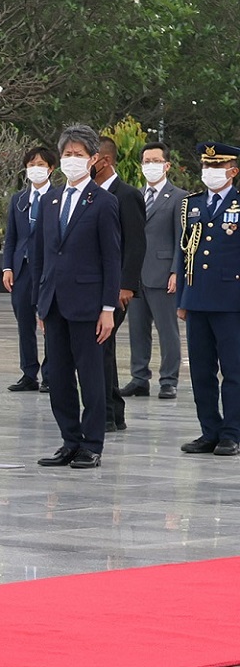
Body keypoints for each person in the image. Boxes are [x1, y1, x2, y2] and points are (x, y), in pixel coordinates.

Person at [35, 124, 122, 469]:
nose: (72, 160)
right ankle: (69, 439)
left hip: (88, 303)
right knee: (57, 376)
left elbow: (112, 257)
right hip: (54, 300)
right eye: (67, 155)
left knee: (90, 376)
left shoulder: (103, 202)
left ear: (94, 159)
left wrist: (107, 308)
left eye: (79, 155)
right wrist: (41, 303)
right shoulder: (50, 200)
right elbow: (42, 254)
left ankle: (91, 443)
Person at [175, 143, 240, 456]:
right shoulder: (193, 204)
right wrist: (183, 298)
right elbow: (184, 251)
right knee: (201, 371)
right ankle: (209, 431)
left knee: (234, 371)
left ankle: (232, 433)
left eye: (217, 167)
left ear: (233, 171)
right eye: (206, 167)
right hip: (198, 297)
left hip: (232, 300)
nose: (210, 173)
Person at [91, 138, 145, 432]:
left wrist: (127, 285)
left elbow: (135, 244)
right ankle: (111, 412)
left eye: (89, 157)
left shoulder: (126, 195)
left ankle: (110, 413)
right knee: (99, 349)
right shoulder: (88, 194)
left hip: (116, 288)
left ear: (105, 160)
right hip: (91, 285)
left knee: (101, 347)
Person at [124, 142, 185, 400]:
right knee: (137, 330)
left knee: (167, 330)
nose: (151, 165)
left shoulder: (178, 197)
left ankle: (168, 380)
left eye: (156, 161)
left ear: (167, 165)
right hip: (136, 275)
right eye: (147, 161)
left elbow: (182, 238)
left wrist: (176, 271)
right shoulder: (135, 195)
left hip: (163, 274)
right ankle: (139, 377)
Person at [1, 146, 54, 393]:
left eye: (41, 164)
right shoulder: (19, 199)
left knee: (50, 322)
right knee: (25, 323)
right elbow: (11, 237)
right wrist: (7, 267)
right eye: (32, 165)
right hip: (22, 268)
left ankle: (51, 373)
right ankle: (28, 373)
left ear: (51, 168)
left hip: (47, 269)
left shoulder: (58, 197)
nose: (36, 169)